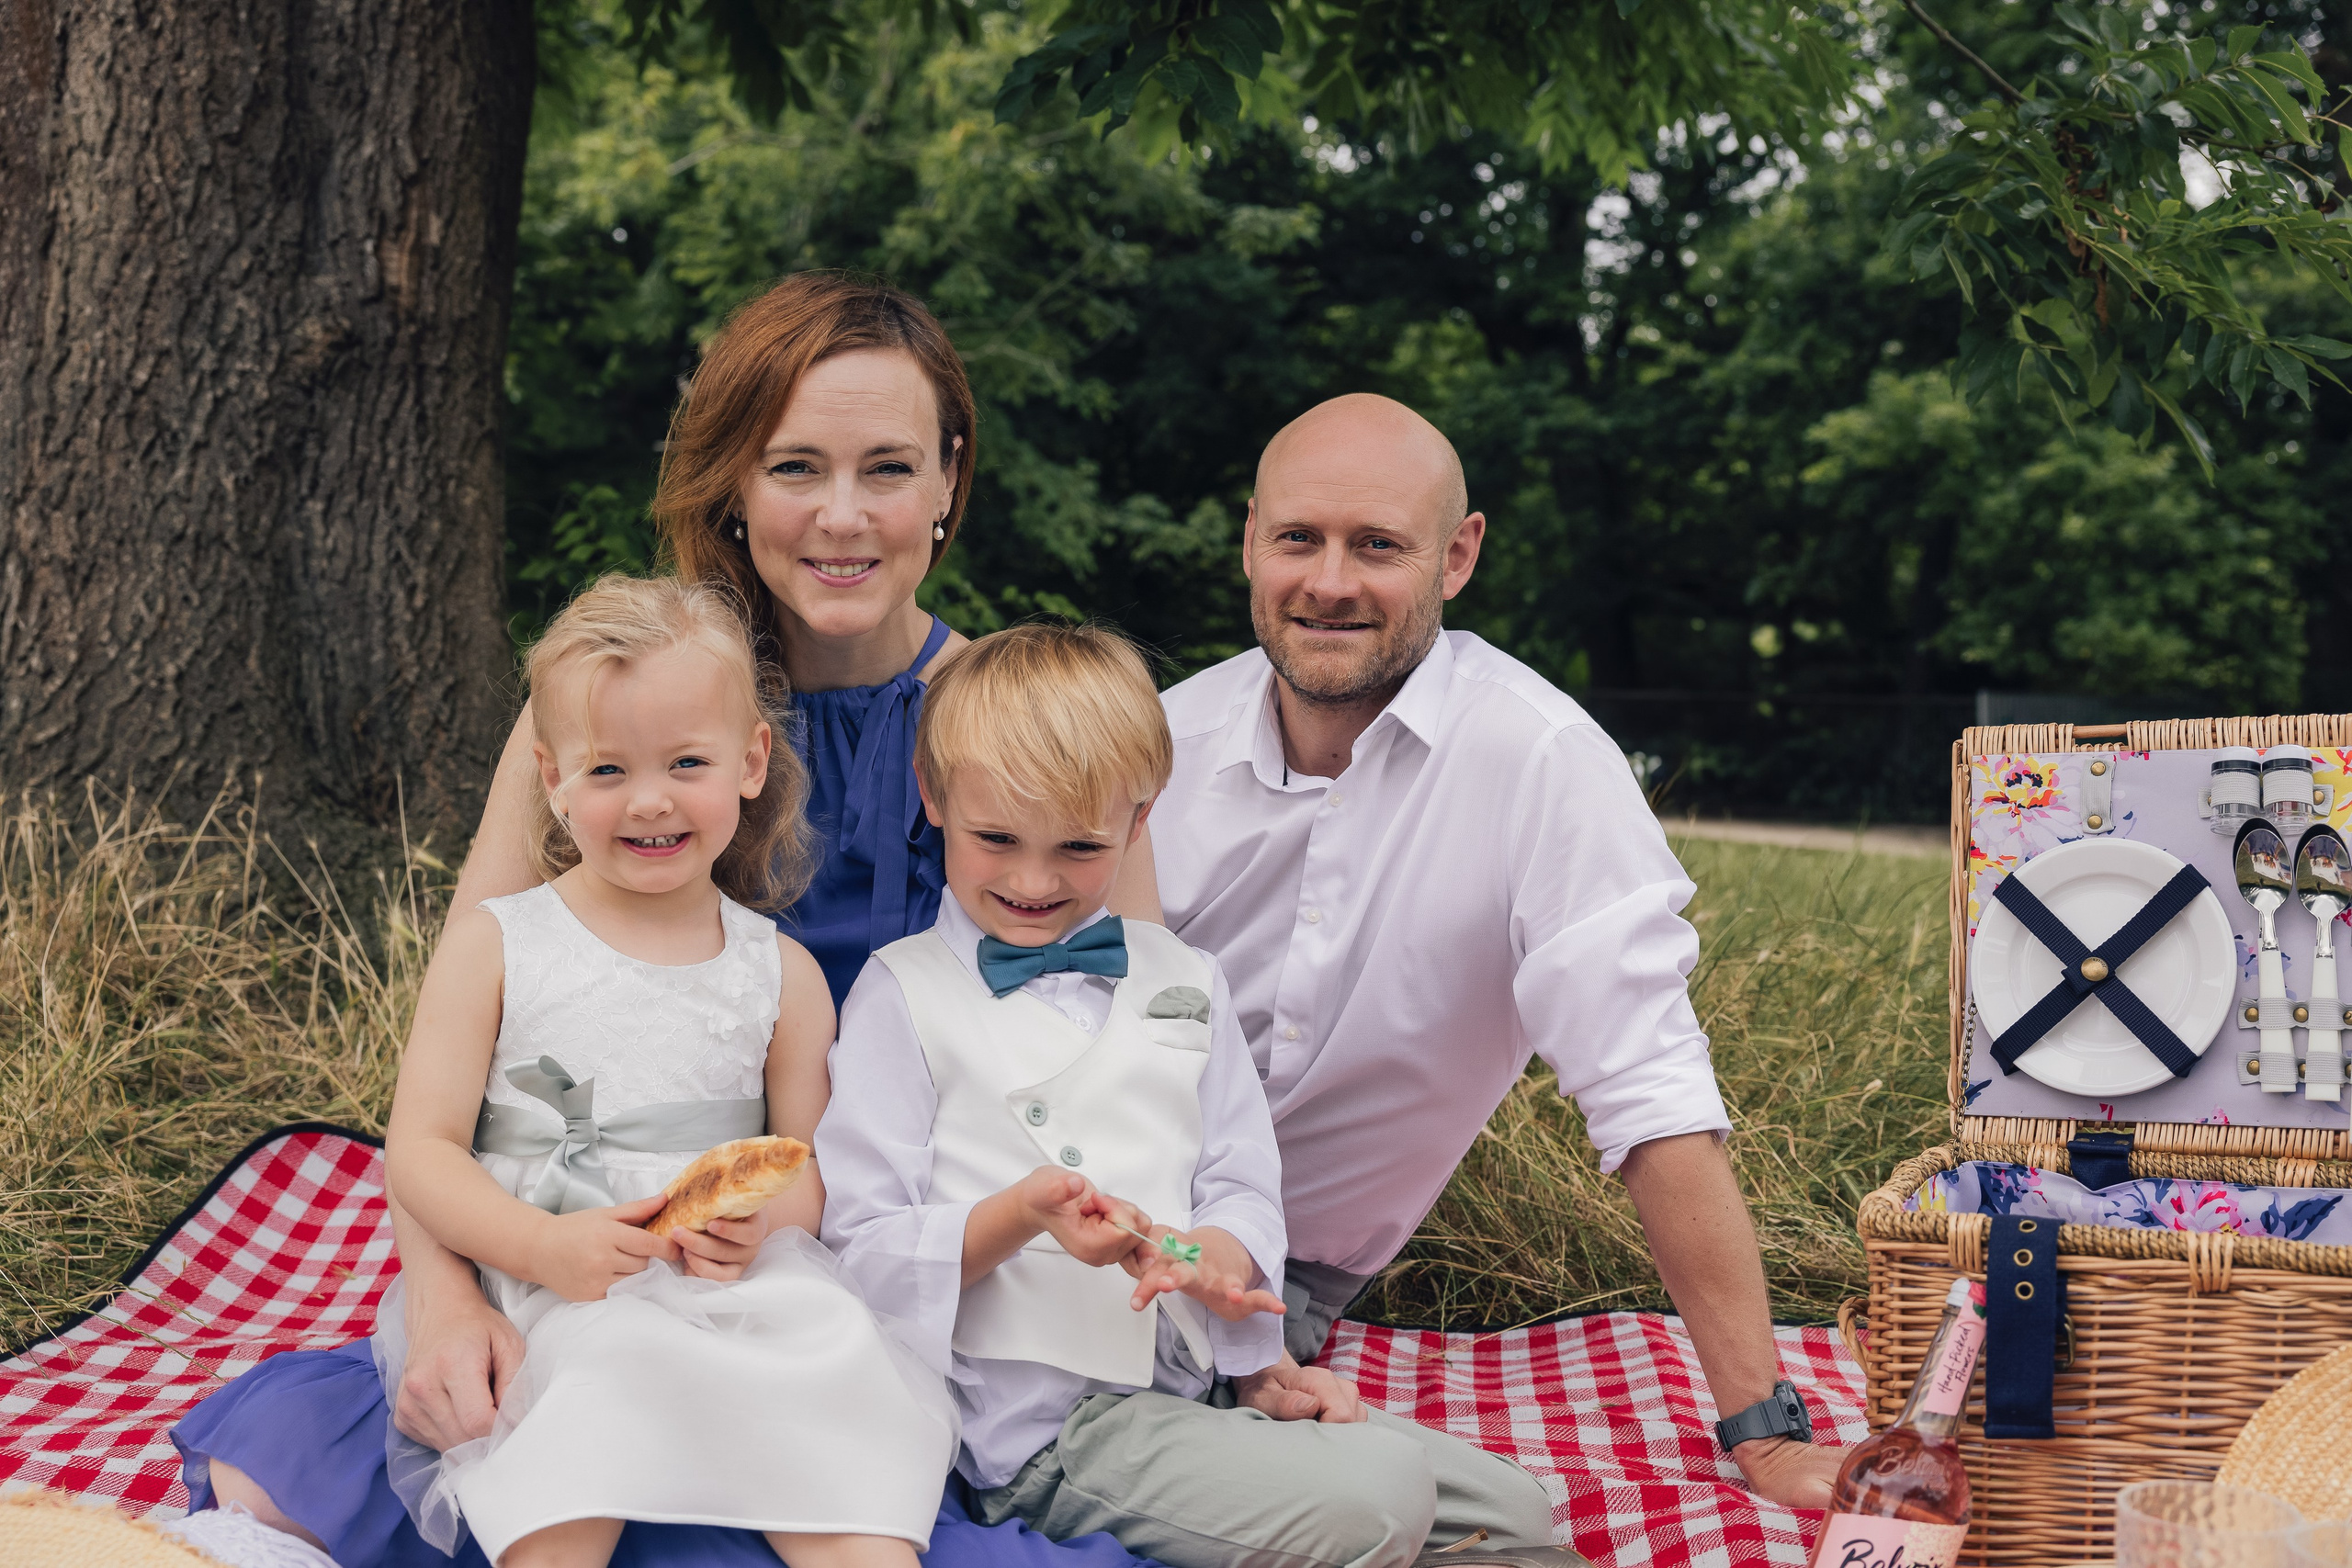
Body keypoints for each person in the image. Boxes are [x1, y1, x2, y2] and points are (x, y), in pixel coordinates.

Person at [171, 275, 1159, 1568]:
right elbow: (461, 1062)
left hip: (920, 1253)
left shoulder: (1022, 716)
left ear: (947, 482)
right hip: (605, 1241)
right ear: (733, 485)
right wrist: (445, 1287)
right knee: (532, 1431)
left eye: (889, 468)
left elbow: (1143, 1048)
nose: (844, 514)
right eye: (796, 465)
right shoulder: (609, 705)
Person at [1132, 394, 1848, 1508]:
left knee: (1445, 1518)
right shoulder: (1156, 744)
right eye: (1297, 539)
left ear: (1456, 556)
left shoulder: (1540, 763)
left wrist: (1763, 1430)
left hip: (1264, 1283)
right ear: (1249, 542)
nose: (1328, 582)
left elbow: (1650, 1094)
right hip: (1073, 1207)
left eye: (1377, 545)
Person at [818, 623, 1566, 1568]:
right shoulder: (902, 992)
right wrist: (1022, 1214)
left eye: (1079, 846)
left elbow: (1239, 1183)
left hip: (1192, 1384)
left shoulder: (1185, 978)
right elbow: (864, 1249)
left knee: (1515, 1511)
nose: (1033, 881)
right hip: (1043, 1429)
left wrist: (1215, 1267)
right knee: (1381, 1500)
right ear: (935, 800)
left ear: (1139, 819)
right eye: (996, 839)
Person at [379, 575, 955, 1566]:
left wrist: (763, 1222)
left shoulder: (778, 970)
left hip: (734, 1283)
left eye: (687, 761)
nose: (649, 799)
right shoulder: (500, 944)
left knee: (834, 1369)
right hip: (560, 1276)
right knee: (602, 1378)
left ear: (750, 761)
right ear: (552, 779)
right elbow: (421, 1147)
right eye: (607, 771)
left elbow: (813, 1163)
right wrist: (532, 1246)